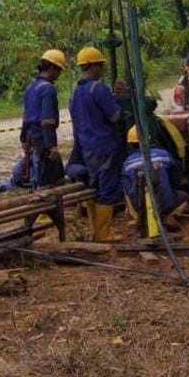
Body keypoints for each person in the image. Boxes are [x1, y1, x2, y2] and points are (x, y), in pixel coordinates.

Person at [69, 46, 125, 241]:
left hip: (87, 148)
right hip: (105, 146)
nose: (102, 69)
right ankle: (103, 235)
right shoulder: (99, 89)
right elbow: (115, 116)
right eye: (100, 65)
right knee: (107, 189)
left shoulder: (75, 93)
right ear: (93, 66)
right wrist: (121, 99)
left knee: (93, 189)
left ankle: (95, 231)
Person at [0, 48, 67, 193]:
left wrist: (23, 139)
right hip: (43, 138)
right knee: (46, 179)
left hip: (32, 136)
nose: (59, 74)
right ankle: (44, 202)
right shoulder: (48, 89)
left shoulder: (31, 87)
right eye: (59, 70)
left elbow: (26, 116)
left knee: (56, 173)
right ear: (52, 68)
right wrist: (51, 145)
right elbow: (47, 121)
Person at [121, 124, 188, 225]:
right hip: (166, 205)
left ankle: (138, 218)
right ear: (149, 140)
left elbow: (127, 187)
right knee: (184, 196)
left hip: (140, 208)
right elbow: (176, 177)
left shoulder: (127, 163)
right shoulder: (163, 154)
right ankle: (168, 216)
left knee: (125, 189)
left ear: (130, 144)